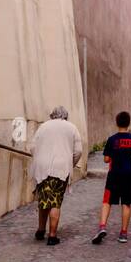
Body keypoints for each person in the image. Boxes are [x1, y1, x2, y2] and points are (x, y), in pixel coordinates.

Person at [29, 106, 83, 247]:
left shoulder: (43, 127)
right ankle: (52, 236)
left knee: (44, 199)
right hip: (61, 168)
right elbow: (78, 151)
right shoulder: (71, 127)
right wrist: (70, 163)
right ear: (65, 116)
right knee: (55, 201)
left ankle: (41, 230)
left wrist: (40, 158)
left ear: (52, 115)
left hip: (42, 168)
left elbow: (32, 147)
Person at [92, 111, 131, 244]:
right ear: (128, 123)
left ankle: (102, 226)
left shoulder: (112, 139)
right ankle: (123, 233)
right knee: (126, 203)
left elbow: (106, 159)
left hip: (114, 174)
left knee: (107, 201)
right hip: (129, 175)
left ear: (116, 122)